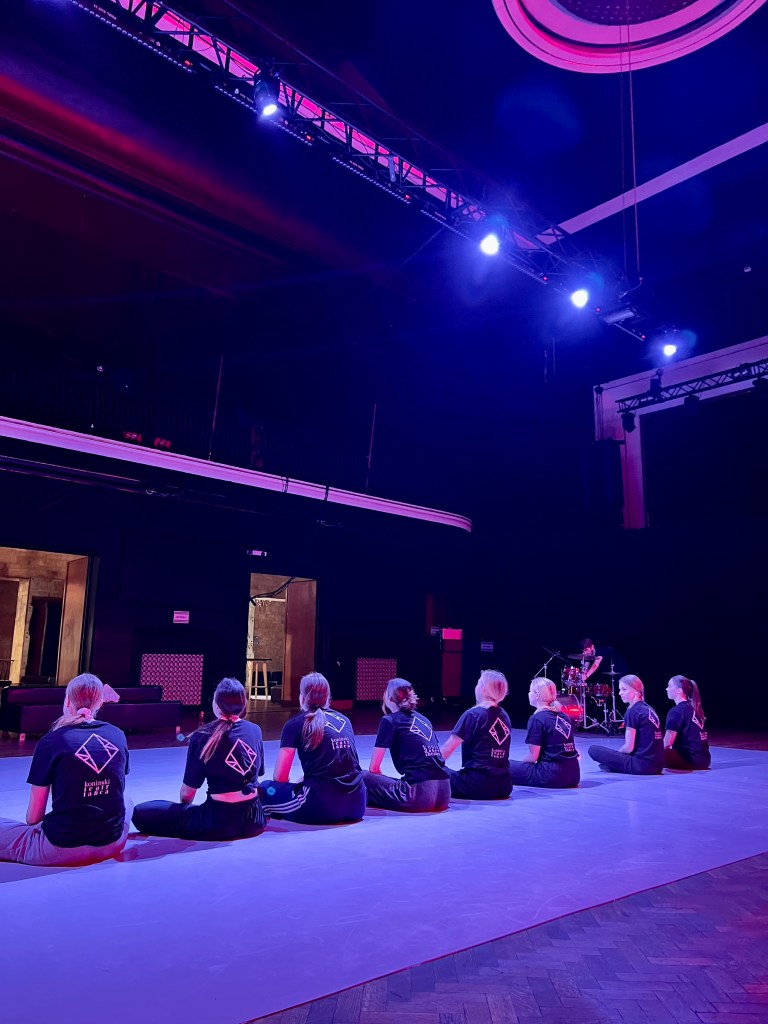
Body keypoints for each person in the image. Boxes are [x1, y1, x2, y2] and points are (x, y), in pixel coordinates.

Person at [0, 673, 130, 866]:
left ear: (68, 701)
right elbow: (117, 789)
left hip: (59, 847)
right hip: (113, 842)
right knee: (128, 801)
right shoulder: (118, 735)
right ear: (100, 703)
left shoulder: (51, 741)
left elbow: (33, 818)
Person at [132, 677, 266, 841]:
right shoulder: (255, 730)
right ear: (244, 703)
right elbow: (256, 776)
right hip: (255, 819)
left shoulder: (203, 736)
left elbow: (188, 792)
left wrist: (183, 812)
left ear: (216, 704)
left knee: (141, 812)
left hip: (218, 823)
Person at [259, 672, 366, 824]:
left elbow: (280, 777)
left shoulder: (295, 724)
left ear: (302, 698)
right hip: (357, 804)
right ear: (328, 697)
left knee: (266, 788)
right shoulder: (344, 720)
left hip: (321, 806)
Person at [363, 678, 450, 812]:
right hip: (444, 794)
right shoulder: (424, 720)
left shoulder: (389, 720)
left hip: (418, 795)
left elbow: (374, 769)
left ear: (389, 698)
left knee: (362, 776)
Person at [440, 670, 512, 800]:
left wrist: (429, 765)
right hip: (505, 784)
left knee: (436, 771)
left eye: (478, 683)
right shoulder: (505, 715)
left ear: (483, 689)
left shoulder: (473, 715)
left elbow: (447, 750)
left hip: (478, 784)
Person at [508, 677, 580, 788]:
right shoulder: (564, 717)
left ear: (537, 695)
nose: (528, 694)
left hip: (552, 775)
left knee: (504, 766)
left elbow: (533, 757)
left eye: (530, 691)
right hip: (574, 775)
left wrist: (521, 765)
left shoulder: (537, 719)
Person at [588, 674, 664, 775]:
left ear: (636, 691)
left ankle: (612, 765)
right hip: (658, 765)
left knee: (593, 749)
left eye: (624, 689)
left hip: (642, 766)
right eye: (620, 690)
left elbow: (629, 747)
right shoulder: (649, 708)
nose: (620, 693)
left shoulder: (633, 711)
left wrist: (615, 756)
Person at [663, 675, 711, 770]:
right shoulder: (695, 708)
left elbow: (667, 743)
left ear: (679, 690)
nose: (666, 689)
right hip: (705, 760)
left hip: (689, 761)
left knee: (650, 752)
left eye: (669, 686)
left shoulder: (676, 711)